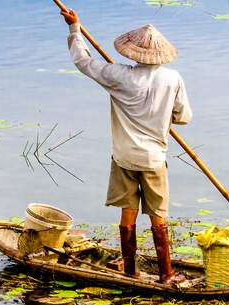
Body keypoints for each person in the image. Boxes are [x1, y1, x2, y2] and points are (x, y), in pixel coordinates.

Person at [61, 9, 191, 284]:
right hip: (154, 158)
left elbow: (84, 62)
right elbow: (184, 117)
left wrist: (75, 29)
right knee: (158, 215)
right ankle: (166, 274)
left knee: (128, 212)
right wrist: (163, 117)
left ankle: (131, 270)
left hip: (124, 158)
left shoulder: (118, 76)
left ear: (133, 53)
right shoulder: (173, 79)